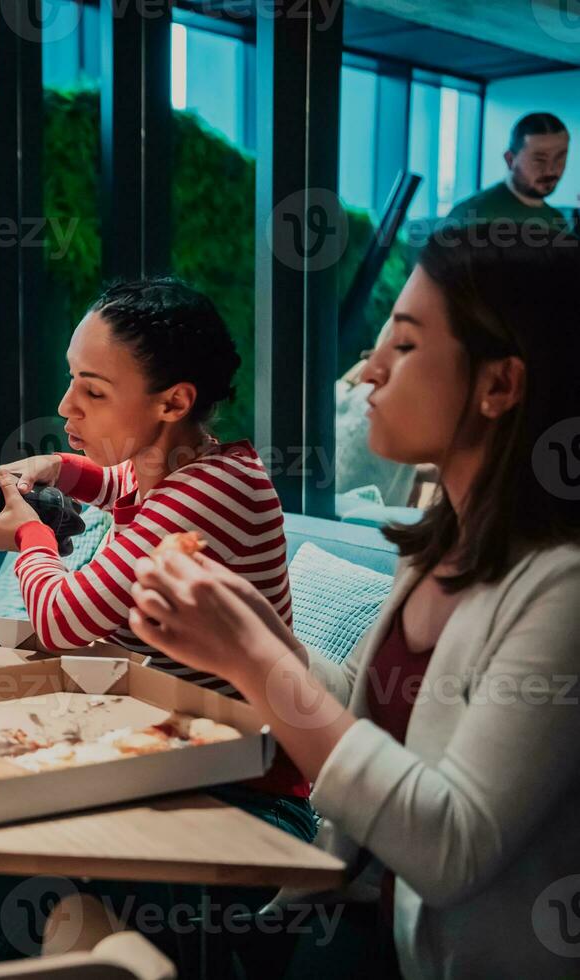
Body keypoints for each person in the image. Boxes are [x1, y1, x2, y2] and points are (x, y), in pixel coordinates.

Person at [124, 229, 580, 979]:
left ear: (499, 385)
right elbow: (375, 725)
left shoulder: (561, 587)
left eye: (402, 347)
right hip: (344, 920)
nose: (368, 371)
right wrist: (268, 643)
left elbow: (450, 845)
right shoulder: (438, 548)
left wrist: (255, 654)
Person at [0, 279, 315, 974]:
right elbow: (113, 484)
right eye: (69, 380)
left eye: (93, 391)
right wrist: (57, 468)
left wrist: (27, 535)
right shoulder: (179, 465)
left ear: (174, 401)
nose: (64, 406)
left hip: (238, 791)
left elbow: (62, 619)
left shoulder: (214, 491)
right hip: (161, 758)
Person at [446, 112, 570, 233]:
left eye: (559, 158)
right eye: (539, 160)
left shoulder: (557, 220)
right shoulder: (472, 216)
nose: (550, 169)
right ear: (510, 159)